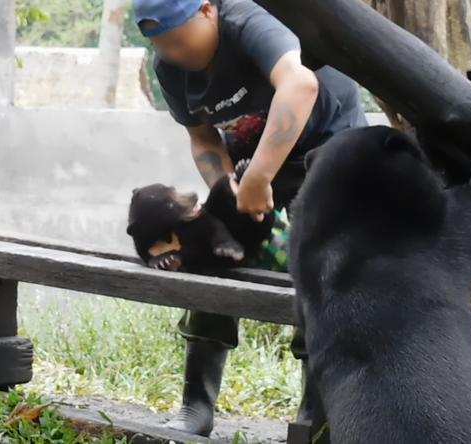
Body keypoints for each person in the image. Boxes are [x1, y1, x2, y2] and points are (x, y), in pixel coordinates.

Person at [133, 0, 368, 436]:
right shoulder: (170, 69)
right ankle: (196, 406)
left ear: (207, 10)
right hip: (249, 164)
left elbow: (300, 85)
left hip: (327, 156)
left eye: (180, 40)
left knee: (322, 274)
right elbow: (203, 138)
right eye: (161, 45)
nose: (174, 53)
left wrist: (259, 177)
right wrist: (228, 191)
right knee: (208, 257)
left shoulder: (247, 23)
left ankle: (314, 418)